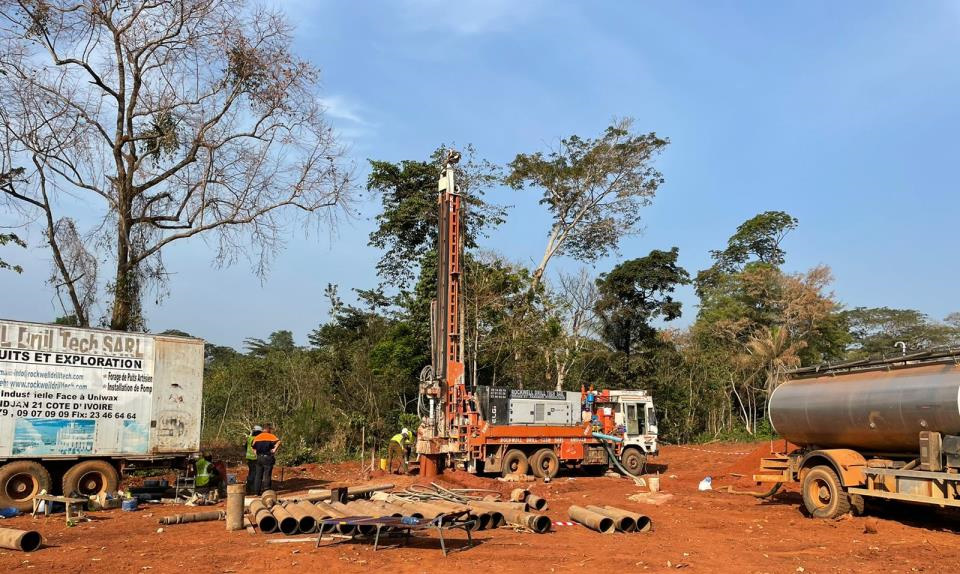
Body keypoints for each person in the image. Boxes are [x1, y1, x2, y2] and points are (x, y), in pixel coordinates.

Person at [252, 424, 281, 495]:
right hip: (267, 457)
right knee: (267, 474)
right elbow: (278, 441)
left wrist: (256, 454)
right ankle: (266, 491)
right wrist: (274, 450)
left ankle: (256, 492)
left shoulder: (257, 437)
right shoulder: (271, 436)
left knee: (258, 475)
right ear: (268, 430)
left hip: (259, 457)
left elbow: (253, 447)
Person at [245, 425, 262, 493]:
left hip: (249, 457)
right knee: (255, 473)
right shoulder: (257, 439)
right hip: (255, 458)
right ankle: (253, 489)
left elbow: (245, 447)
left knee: (251, 472)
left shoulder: (249, 438)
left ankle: (248, 488)